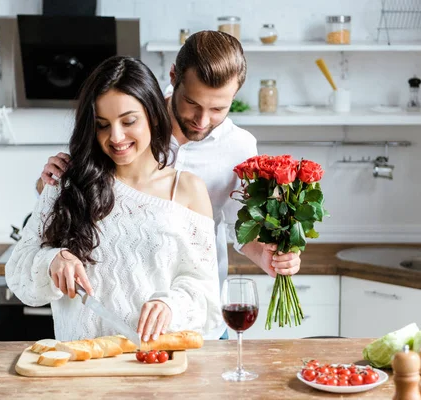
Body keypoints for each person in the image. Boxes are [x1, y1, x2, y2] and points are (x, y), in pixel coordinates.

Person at [37, 31, 302, 338]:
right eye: (192, 103)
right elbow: (83, 186)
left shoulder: (239, 147)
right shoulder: (132, 122)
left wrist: (269, 258)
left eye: (218, 109)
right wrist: (49, 183)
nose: (202, 120)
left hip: (195, 319)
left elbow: (240, 227)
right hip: (116, 321)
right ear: (174, 76)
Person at [5, 56, 222, 343]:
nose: (116, 137)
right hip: (82, 367)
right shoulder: (68, 182)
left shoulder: (187, 190)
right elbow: (18, 271)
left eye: (128, 121)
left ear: (154, 115)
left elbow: (205, 294)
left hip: (156, 364)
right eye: (102, 125)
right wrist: (52, 259)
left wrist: (171, 305)